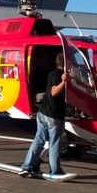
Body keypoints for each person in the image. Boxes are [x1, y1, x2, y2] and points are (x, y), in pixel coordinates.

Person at [19, 53, 75, 181]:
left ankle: (27, 166)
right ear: (65, 64)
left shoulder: (51, 74)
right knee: (55, 143)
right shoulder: (58, 76)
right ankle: (55, 170)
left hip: (43, 113)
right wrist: (64, 82)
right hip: (53, 116)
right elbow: (54, 92)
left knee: (38, 140)